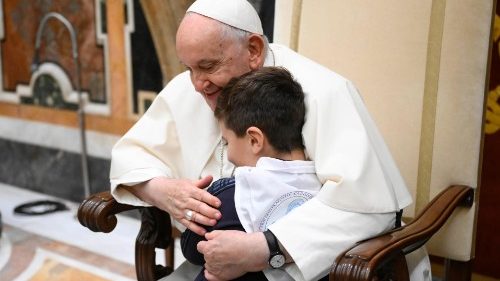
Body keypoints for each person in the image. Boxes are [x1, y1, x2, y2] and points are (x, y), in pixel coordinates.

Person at [109, 0, 429, 280]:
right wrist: (162, 191)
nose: (196, 84)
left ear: (253, 50)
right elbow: (131, 155)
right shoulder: (191, 87)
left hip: (313, 269)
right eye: (189, 68)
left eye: (207, 66)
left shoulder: (324, 92)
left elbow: (368, 209)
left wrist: (266, 248)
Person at [181, 67, 322, 281]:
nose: (227, 155)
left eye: (227, 142)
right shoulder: (326, 188)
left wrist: (198, 203)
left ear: (254, 140)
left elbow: (191, 249)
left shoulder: (230, 196)